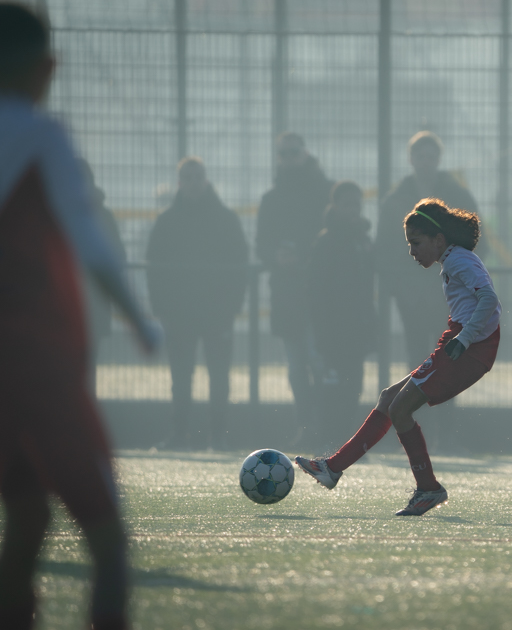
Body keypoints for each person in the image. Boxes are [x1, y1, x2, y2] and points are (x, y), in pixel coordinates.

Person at [0, 1, 161, 629]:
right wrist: (137, 319)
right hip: (40, 366)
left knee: (29, 515)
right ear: (46, 67)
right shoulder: (42, 135)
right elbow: (89, 240)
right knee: (108, 540)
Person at [296, 198, 501, 516]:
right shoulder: (453, 259)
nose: (412, 252)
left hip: (470, 348)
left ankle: (428, 488)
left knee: (400, 408)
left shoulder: (460, 261)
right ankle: (332, 468)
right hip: (461, 342)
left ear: (438, 240)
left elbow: (490, 300)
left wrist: (465, 337)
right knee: (389, 397)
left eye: (416, 243)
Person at [146, 157, 249, 450]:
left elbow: (239, 265)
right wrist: (161, 309)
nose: (193, 183)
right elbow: (155, 268)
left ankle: (218, 437)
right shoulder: (167, 221)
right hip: (179, 314)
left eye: (197, 177)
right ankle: (180, 436)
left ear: (205, 180)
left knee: (218, 376)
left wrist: (232, 306)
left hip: (217, 312)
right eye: (187, 178)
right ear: (180, 182)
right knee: (181, 376)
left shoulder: (225, 219)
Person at [377, 131, 485, 370]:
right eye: (421, 156)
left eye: (430, 157)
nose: (426, 162)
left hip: (443, 291)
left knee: (445, 354)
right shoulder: (452, 197)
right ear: (411, 159)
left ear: (438, 159)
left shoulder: (400, 200)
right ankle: (423, 406)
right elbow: (384, 251)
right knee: (420, 355)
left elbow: (478, 240)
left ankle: (434, 406)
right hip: (416, 291)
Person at [256, 132, 334, 442]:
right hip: (288, 293)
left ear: (304, 153)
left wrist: (300, 254)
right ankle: (307, 424)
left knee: (317, 362)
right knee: (297, 366)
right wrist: (275, 256)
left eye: (293, 152)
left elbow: (330, 238)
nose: (289, 158)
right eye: (284, 153)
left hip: (318, 293)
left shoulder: (324, 192)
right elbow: (260, 244)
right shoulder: (272, 198)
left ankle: (322, 425)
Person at [308, 181, 376, 446]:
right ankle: (329, 439)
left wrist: (370, 320)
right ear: (334, 206)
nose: (353, 210)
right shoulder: (326, 241)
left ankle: (347, 441)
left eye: (357, 204)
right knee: (331, 387)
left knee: (353, 386)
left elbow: (366, 286)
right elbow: (315, 290)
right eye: (347, 204)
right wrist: (321, 331)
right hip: (333, 330)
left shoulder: (362, 241)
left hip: (356, 328)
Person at [77, 158, 128, 391]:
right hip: (94, 300)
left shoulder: (50, 212)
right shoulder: (103, 215)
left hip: (83, 301)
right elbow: (118, 257)